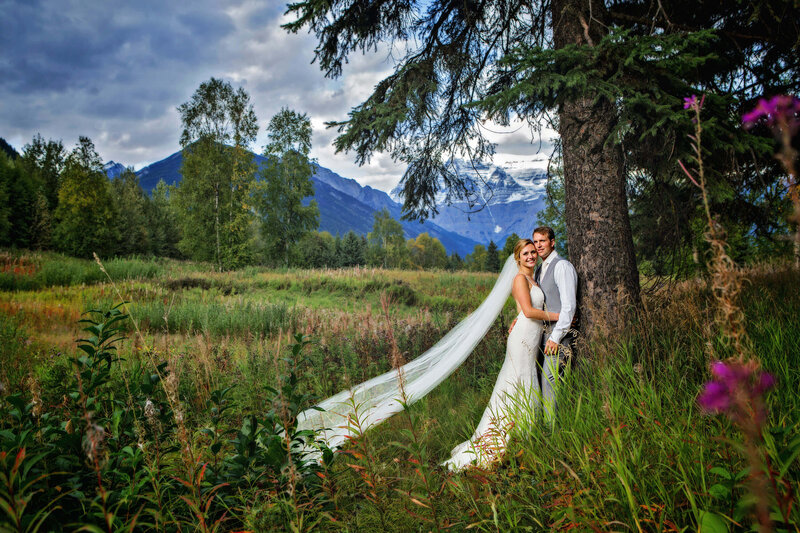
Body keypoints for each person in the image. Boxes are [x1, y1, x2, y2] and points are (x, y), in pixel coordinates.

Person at [442, 239, 559, 470]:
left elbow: (520, 309)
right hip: (523, 338)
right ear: (517, 258)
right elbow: (528, 310)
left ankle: (523, 432)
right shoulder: (518, 278)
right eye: (525, 253)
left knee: (525, 380)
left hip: (529, 333)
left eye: (533, 252)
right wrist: (559, 316)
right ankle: (503, 436)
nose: (530, 256)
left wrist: (519, 318)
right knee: (518, 380)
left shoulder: (531, 279)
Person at [531, 226, 578, 425]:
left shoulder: (562, 266)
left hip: (558, 336)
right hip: (541, 335)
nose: (538, 245)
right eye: (535, 241)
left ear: (552, 242)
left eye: (542, 241)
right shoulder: (541, 269)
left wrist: (555, 337)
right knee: (541, 382)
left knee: (550, 381)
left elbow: (569, 306)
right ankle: (543, 425)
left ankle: (552, 431)